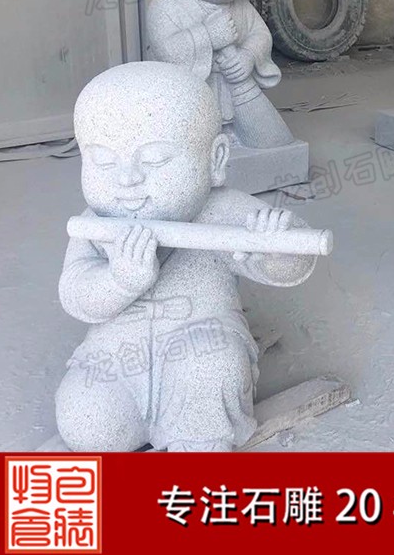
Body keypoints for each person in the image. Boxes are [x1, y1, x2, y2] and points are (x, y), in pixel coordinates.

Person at [55, 62, 316, 451]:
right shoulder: (95, 225)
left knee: (211, 368)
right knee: (85, 417)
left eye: (155, 159)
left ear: (215, 160)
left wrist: (275, 246)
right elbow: (76, 294)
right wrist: (118, 282)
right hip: (117, 354)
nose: (127, 179)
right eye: (104, 162)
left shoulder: (222, 212)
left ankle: (198, 439)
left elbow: (292, 261)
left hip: (200, 340)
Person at [147, 0, 293, 148]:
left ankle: (236, 134)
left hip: (236, 93)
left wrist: (248, 56)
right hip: (193, 98)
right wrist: (208, 35)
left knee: (269, 139)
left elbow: (260, 34)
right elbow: (167, 52)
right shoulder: (165, 6)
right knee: (191, 143)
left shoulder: (241, 5)